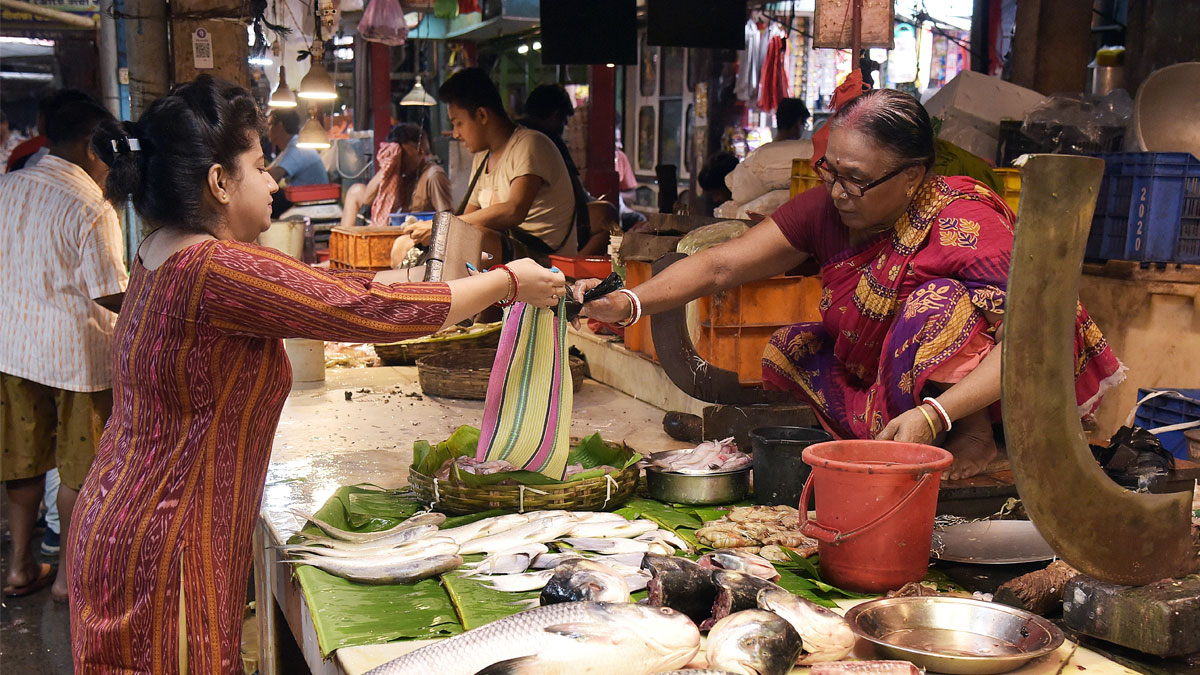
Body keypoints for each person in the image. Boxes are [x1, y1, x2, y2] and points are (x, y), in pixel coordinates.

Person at [69, 76, 565, 673]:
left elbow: (328, 291)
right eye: (259, 165)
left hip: (132, 519)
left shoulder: (166, 249)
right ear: (219, 182)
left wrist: (415, 280)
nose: (274, 179)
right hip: (168, 541)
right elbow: (365, 313)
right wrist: (507, 281)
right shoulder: (211, 266)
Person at [576, 88, 1124, 481]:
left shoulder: (965, 218)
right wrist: (628, 302)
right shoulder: (828, 208)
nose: (837, 190)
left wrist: (938, 413)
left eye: (856, 179)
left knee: (936, 306)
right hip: (882, 375)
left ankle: (972, 436)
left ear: (912, 177)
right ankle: (885, 435)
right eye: (830, 170)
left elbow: (1031, 338)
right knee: (792, 347)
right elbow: (723, 265)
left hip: (986, 387)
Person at [0, 97, 128, 601]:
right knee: (81, 468)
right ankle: (71, 580)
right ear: (90, 143)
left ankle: (20, 567)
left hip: (12, 349)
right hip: (76, 358)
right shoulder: (89, 206)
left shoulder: (7, 188)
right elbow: (107, 291)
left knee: (25, 461)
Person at [438, 67, 578, 263]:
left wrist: (443, 227)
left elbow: (513, 211)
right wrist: (439, 230)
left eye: (458, 123)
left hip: (547, 260)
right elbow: (465, 222)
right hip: (511, 255)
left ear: (482, 115)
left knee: (475, 241)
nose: (455, 134)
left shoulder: (530, 144)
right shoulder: (482, 158)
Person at [517, 84, 593, 251]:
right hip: (546, 238)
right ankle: (575, 265)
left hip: (522, 231)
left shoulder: (514, 134)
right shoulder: (547, 138)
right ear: (556, 115)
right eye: (564, 121)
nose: (563, 127)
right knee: (607, 215)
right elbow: (577, 191)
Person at [338, 123, 453, 229]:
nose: (400, 161)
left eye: (402, 155)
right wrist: (388, 165)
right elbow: (366, 199)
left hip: (415, 234)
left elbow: (447, 220)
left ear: (420, 150)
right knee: (355, 191)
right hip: (395, 226)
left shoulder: (433, 175)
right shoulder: (402, 174)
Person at [267, 108, 329, 217]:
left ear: (280, 126)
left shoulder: (298, 147)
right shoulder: (289, 147)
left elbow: (273, 176)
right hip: (299, 201)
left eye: (270, 125)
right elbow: (269, 170)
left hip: (312, 203)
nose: (267, 130)